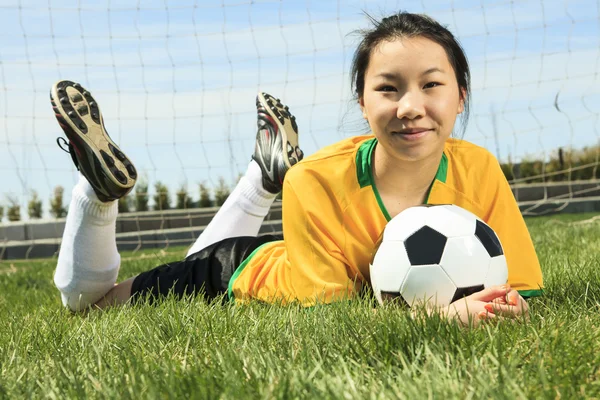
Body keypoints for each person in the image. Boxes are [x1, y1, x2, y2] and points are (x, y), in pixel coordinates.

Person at [51, 11, 543, 326]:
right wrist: (441, 318)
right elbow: (334, 319)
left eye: (432, 84)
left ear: (462, 95)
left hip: (299, 251)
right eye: (388, 89)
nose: (410, 106)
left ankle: (261, 178)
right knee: (88, 307)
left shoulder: (477, 167)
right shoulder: (315, 179)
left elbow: (517, 283)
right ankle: (96, 194)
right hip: (234, 276)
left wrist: (507, 304)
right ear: (363, 101)